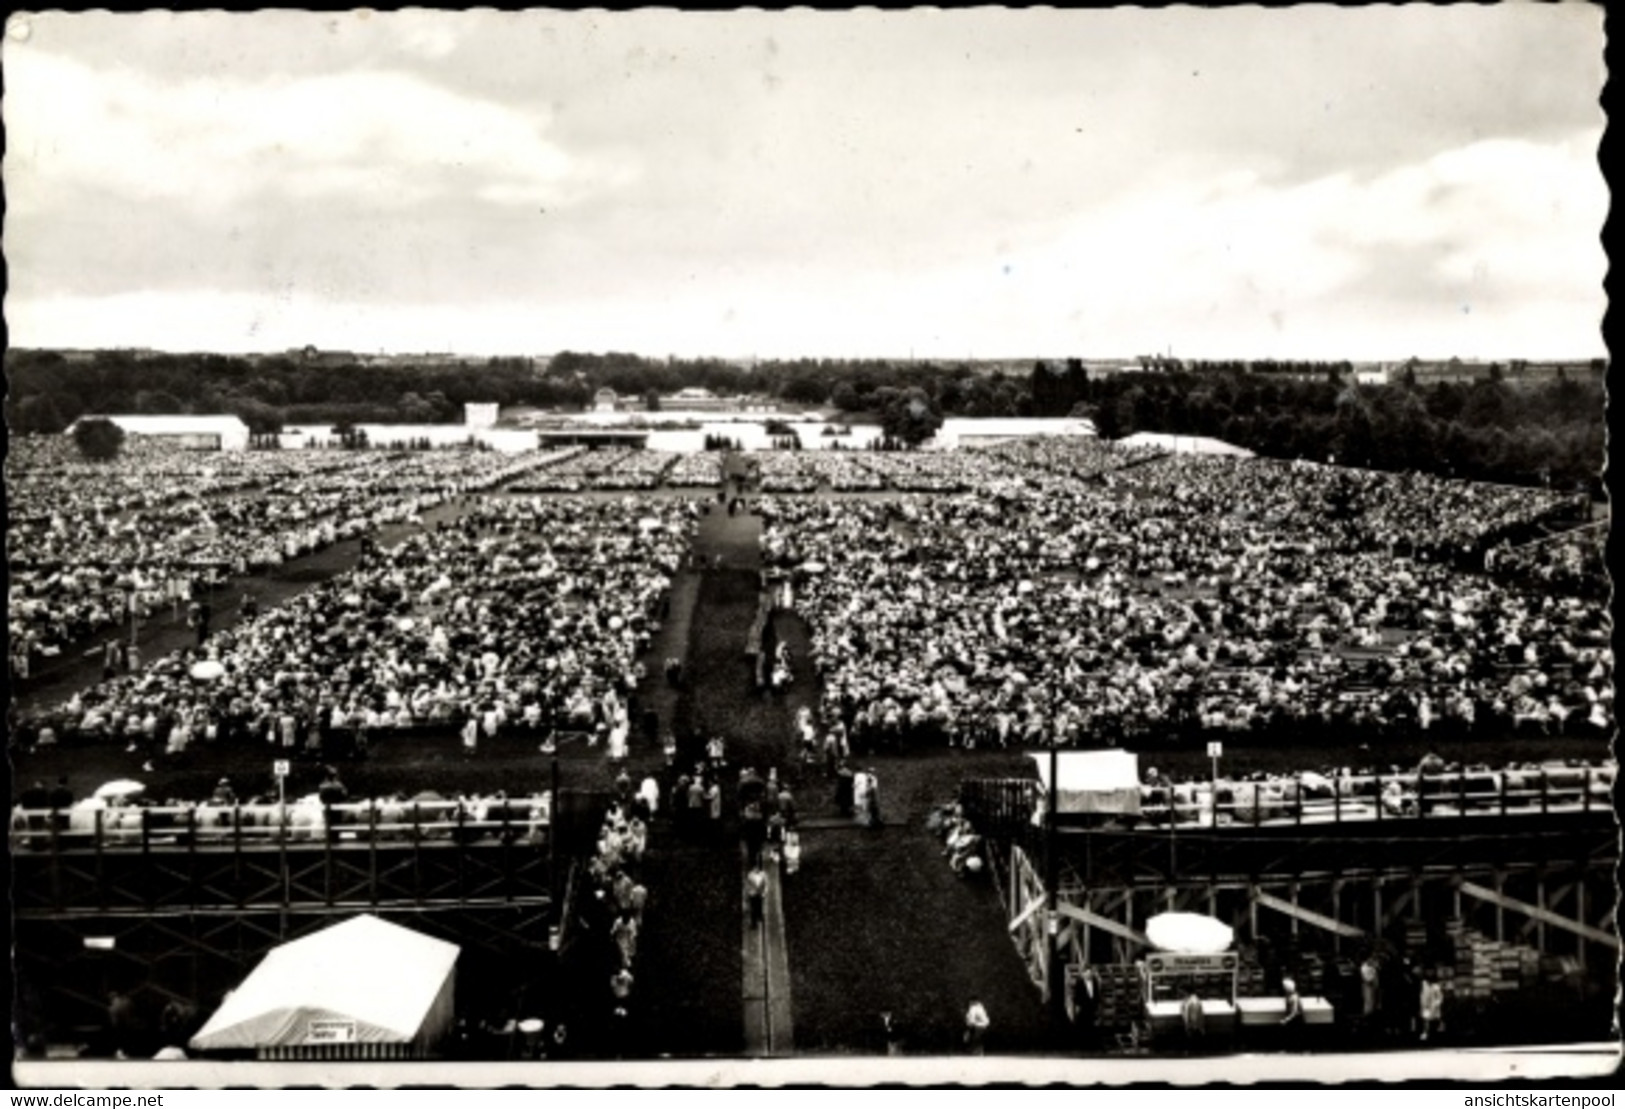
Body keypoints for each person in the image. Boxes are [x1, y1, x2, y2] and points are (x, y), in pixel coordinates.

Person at [1419, 973, 1444, 1042]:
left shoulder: (1436, 987)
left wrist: (1437, 1003)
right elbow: (1422, 995)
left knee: (1436, 1019)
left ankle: (1438, 1031)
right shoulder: (1424, 985)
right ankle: (1425, 1033)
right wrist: (1422, 1005)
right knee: (1426, 1020)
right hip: (1426, 1006)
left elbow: (1440, 996)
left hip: (1434, 1006)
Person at [1181, 990, 1206, 1054]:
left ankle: (1189, 1050)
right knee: (1197, 1035)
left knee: (1189, 1035)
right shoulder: (1198, 1001)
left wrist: (1187, 1022)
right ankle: (1198, 1050)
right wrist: (1201, 1024)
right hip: (1197, 1021)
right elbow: (1201, 1013)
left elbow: (1187, 1013)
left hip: (1191, 1021)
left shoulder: (1188, 1002)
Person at [746, 862, 768, 928]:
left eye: (757, 868)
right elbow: (748, 884)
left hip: (760, 894)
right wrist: (749, 892)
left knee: (759, 905)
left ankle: (760, 916)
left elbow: (766, 885)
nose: (756, 869)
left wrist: (764, 893)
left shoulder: (763, 875)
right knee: (753, 909)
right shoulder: (750, 875)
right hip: (753, 894)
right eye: (755, 868)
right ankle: (754, 924)